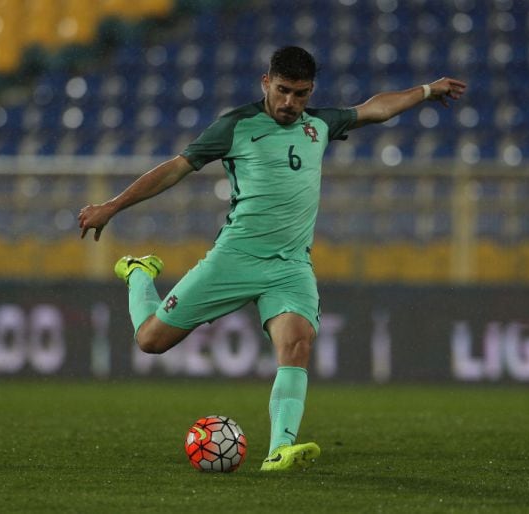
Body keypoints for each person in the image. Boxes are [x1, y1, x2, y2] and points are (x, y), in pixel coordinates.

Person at [79, 46, 466, 471]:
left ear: (310, 91)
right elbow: (175, 168)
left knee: (297, 343)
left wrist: (428, 90)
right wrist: (112, 206)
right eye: (282, 91)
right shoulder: (236, 126)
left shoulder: (319, 124)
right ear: (266, 82)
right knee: (150, 341)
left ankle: (279, 449)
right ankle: (139, 273)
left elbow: (375, 109)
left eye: (300, 94)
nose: (289, 103)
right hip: (235, 258)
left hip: (290, 267)